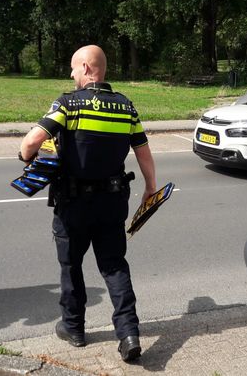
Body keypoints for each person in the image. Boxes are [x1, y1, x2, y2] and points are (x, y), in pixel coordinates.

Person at [20, 45, 156, 362]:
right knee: (114, 266)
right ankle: (129, 333)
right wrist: (150, 188)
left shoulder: (67, 104)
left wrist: (25, 157)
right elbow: (144, 154)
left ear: (86, 67)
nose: (70, 74)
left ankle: (74, 328)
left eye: (72, 68)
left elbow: (32, 142)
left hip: (73, 205)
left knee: (71, 266)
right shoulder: (126, 107)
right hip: (112, 202)